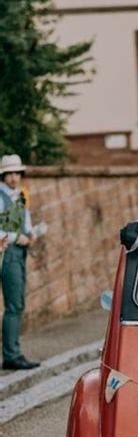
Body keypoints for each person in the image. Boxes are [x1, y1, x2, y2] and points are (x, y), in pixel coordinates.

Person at [0, 154, 40, 369]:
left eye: (17, 173)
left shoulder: (21, 196)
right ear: (3, 176)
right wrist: (18, 237)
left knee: (17, 304)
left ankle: (12, 353)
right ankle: (11, 355)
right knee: (14, 305)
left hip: (18, 253)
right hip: (6, 252)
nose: (14, 177)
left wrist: (31, 233)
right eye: (10, 174)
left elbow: (26, 221)